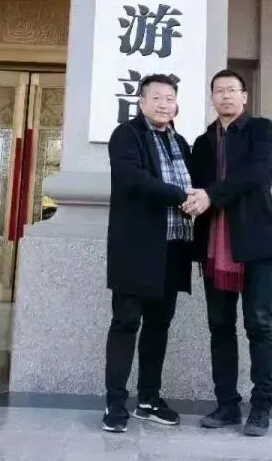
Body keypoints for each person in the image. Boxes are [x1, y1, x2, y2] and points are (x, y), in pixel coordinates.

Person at [185, 69, 272, 437]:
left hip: (255, 242)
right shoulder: (202, 142)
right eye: (219, 91)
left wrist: (212, 195)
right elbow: (192, 186)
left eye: (232, 90)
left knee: (258, 325)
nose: (226, 96)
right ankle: (227, 404)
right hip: (214, 246)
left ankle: (261, 407)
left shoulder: (262, 130)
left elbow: (257, 174)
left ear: (244, 96)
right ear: (212, 98)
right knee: (220, 327)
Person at [102, 74, 198, 433]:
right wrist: (181, 196)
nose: (163, 104)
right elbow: (133, 178)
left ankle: (148, 399)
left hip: (173, 248)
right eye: (156, 97)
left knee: (159, 325)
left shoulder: (181, 142)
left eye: (169, 98)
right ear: (141, 102)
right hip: (136, 248)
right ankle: (115, 403)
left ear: (176, 105)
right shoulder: (126, 135)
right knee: (126, 322)